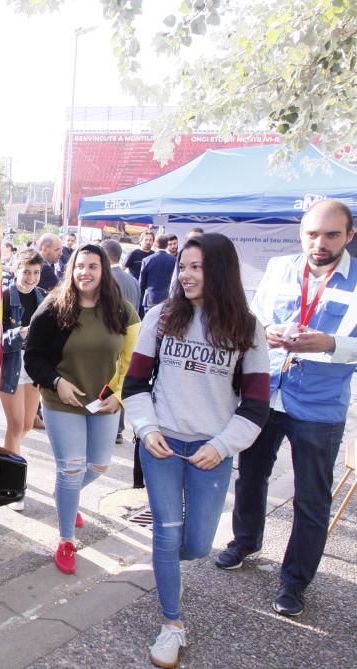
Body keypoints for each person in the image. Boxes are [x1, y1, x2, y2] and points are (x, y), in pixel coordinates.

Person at [122, 234, 270, 668]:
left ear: (220, 271)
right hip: (161, 444)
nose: (184, 275)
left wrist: (223, 445)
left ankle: (169, 564)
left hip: (212, 451)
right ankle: (172, 624)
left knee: (198, 544)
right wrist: (146, 430)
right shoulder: (161, 317)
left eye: (196, 267)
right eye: (182, 266)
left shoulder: (247, 327)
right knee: (166, 533)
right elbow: (135, 386)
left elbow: (257, 403)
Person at [216, 199, 357, 618]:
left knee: (311, 501)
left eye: (332, 234)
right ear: (301, 233)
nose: (320, 243)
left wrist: (330, 343)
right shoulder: (280, 267)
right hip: (267, 391)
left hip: (319, 405)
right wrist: (266, 331)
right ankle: (244, 541)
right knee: (250, 475)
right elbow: (253, 319)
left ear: (349, 235)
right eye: (312, 234)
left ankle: (295, 582)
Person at [24, 244, 140, 574]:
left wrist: (119, 395)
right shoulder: (53, 307)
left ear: (104, 270)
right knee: (72, 468)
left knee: (99, 466)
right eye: (79, 266)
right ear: (70, 270)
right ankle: (65, 539)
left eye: (92, 266)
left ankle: (66, 492)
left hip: (104, 402)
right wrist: (56, 382)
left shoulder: (122, 311)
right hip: (62, 401)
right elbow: (32, 356)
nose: (84, 272)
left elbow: (135, 359)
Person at [0, 250, 46, 513]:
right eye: (26, 271)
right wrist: (20, 333)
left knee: (27, 424)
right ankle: (12, 487)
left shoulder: (42, 297)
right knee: (16, 425)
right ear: (15, 269)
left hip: (33, 369)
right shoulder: (5, 297)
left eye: (36, 272)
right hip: (11, 369)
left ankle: (4, 459)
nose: (31, 277)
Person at [102, 239, 141, 446]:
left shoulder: (107, 280)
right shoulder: (133, 280)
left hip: (113, 339)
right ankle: (118, 428)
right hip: (129, 337)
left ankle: (114, 427)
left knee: (115, 381)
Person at [140, 235, 176, 315]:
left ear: (155, 244)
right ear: (167, 245)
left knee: (149, 322)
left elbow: (142, 282)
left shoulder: (147, 260)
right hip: (167, 297)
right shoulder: (174, 260)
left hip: (150, 297)